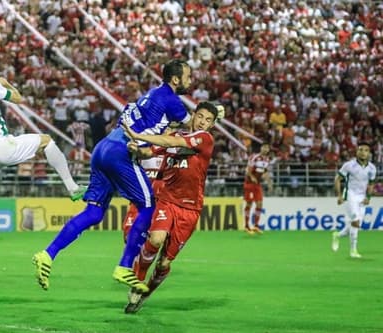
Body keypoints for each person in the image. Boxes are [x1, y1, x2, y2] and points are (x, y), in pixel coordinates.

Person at [33, 59, 192, 292]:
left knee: (94, 212)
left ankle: (47, 254)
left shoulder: (149, 95)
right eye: (187, 76)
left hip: (103, 147)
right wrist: (213, 115)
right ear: (176, 79)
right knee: (148, 205)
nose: (190, 80)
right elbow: (196, 127)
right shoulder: (172, 100)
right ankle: (124, 266)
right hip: (121, 152)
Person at [0, 56, 86, 286]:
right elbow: (19, 99)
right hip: (0, 145)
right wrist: (5, 83)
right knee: (47, 141)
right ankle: (72, 187)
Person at [121, 101, 221, 314]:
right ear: (193, 115)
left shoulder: (205, 139)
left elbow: (167, 140)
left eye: (208, 120)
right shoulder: (177, 137)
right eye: (200, 116)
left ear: (212, 125)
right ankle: (137, 281)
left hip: (190, 209)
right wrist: (138, 150)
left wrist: (140, 136)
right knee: (155, 239)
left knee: (165, 263)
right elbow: (151, 153)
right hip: (167, 200)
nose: (203, 122)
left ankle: (146, 293)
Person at [332, 143, 376, 258]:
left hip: (362, 197)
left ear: (369, 153)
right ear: (357, 152)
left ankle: (337, 235)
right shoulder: (349, 165)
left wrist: (368, 197)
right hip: (350, 194)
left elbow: (371, 183)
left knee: (354, 225)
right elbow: (337, 179)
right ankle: (353, 251)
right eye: (360, 150)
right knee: (355, 221)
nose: (363, 152)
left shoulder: (372, 168)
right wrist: (339, 195)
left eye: (366, 150)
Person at [243, 143, 273, 234]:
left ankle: (256, 225)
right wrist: (252, 176)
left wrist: (269, 183)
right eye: (264, 147)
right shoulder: (254, 157)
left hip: (258, 184)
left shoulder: (267, 160)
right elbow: (247, 169)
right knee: (249, 204)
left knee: (259, 204)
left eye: (267, 147)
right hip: (249, 184)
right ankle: (247, 226)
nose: (265, 149)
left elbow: (265, 172)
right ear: (261, 148)